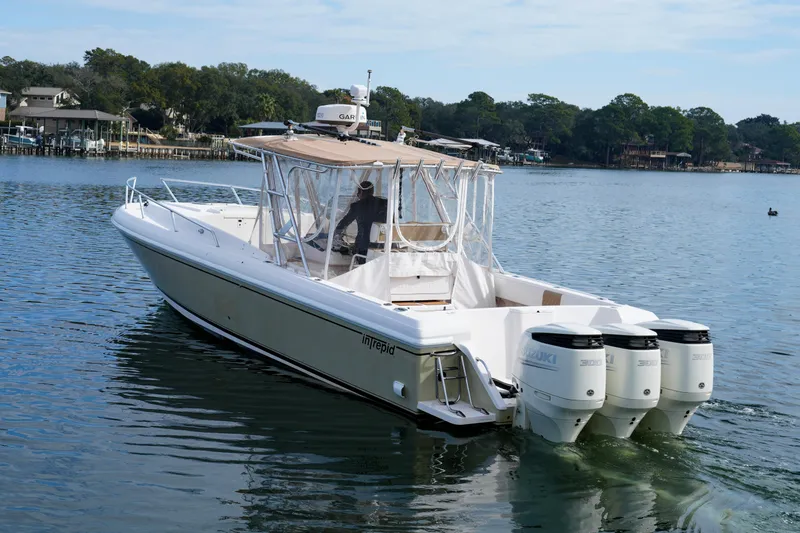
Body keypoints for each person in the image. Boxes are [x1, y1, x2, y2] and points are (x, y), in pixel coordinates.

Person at [332, 181, 387, 263]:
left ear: (360, 192)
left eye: (358, 192)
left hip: (363, 249)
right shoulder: (385, 203)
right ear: (372, 192)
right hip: (383, 246)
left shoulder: (357, 206)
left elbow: (344, 223)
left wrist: (336, 234)